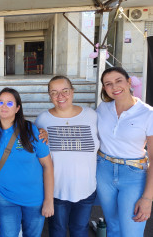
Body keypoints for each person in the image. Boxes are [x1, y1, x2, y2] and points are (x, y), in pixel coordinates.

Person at [0, 88, 54, 237]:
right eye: (1, 102)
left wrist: (49, 200)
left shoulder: (31, 131)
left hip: (34, 199)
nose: (4, 106)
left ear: (17, 108)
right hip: (6, 198)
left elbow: (47, 166)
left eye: (10, 103)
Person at [35, 76, 99, 237]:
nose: (60, 96)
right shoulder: (43, 119)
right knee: (58, 231)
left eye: (65, 91)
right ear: (49, 96)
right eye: (54, 92)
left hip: (86, 189)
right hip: (56, 191)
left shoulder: (92, 116)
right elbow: (37, 152)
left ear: (73, 91)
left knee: (80, 230)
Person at [96, 67, 153, 237]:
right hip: (103, 170)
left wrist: (148, 198)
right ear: (104, 88)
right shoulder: (103, 108)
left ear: (129, 82)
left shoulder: (148, 113)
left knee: (131, 231)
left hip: (133, 174)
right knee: (113, 227)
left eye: (118, 81)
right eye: (108, 84)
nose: (114, 87)